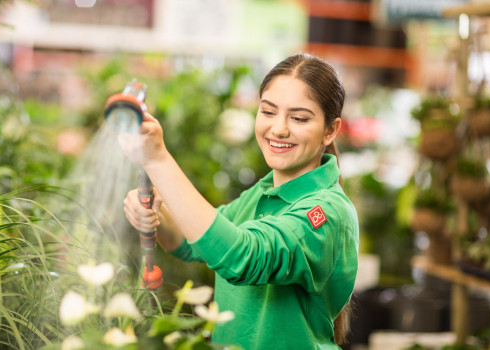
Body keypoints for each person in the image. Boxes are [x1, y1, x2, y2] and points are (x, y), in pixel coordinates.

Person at [120, 53, 359, 350]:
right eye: (268, 112)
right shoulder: (260, 194)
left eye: (298, 118)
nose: (279, 129)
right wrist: (157, 214)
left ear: (330, 130)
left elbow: (242, 257)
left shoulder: (327, 212)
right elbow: (189, 241)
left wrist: (157, 159)